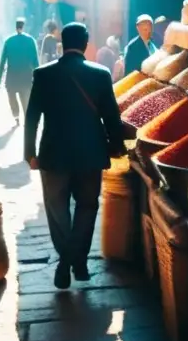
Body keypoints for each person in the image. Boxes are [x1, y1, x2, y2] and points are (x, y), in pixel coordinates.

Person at [24, 22, 125, 289]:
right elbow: (112, 118)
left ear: (62, 42)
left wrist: (29, 153)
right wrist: (117, 146)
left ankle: (65, 262)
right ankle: (76, 262)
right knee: (87, 207)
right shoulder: (101, 74)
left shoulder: (43, 75)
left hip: (53, 155)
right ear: (86, 43)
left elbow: (31, 117)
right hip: (90, 154)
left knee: (57, 210)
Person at [0, 18, 39, 125]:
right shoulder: (31, 40)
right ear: (24, 27)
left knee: (12, 98)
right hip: (26, 76)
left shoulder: (8, 41)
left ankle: (16, 116)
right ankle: (27, 118)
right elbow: (35, 61)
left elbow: (3, 61)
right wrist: (39, 78)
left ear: (15, 27)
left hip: (12, 76)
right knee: (26, 98)